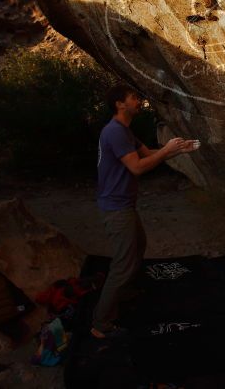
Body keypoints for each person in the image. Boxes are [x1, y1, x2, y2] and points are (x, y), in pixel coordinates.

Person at [92, 84, 197, 339]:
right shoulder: (115, 132)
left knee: (138, 245)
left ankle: (123, 292)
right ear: (120, 104)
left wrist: (177, 150)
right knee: (124, 262)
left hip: (123, 204)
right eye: (134, 98)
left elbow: (149, 154)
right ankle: (101, 323)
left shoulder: (125, 131)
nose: (139, 101)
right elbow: (138, 167)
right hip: (116, 208)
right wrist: (167, 151)